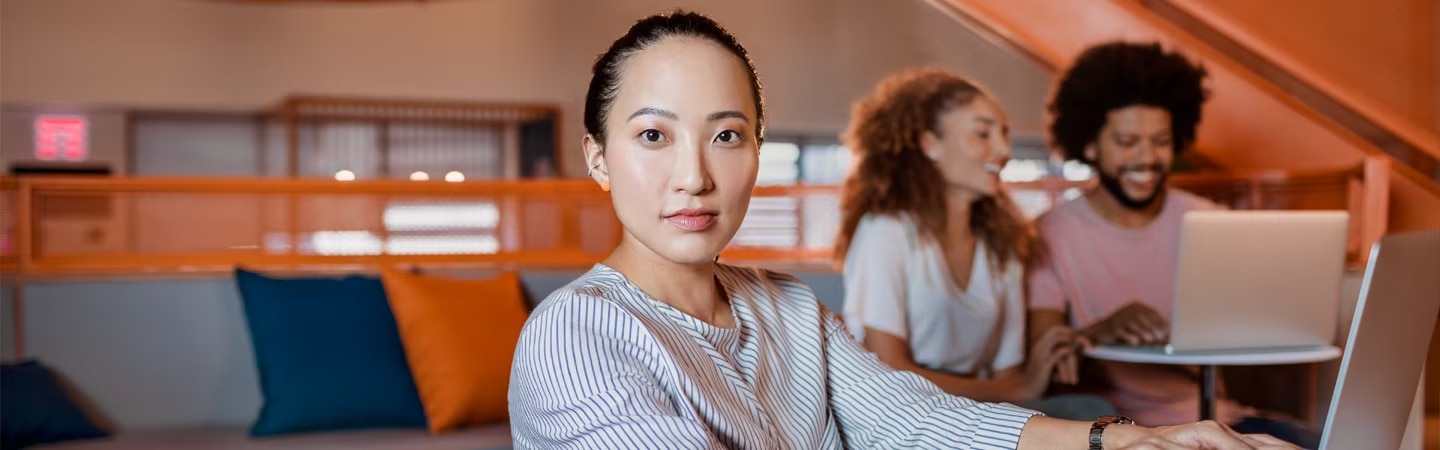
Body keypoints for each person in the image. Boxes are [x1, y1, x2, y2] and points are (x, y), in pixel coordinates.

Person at [507, 10, 1296, 449]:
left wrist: (1124, 444)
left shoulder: (787, 309)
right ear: (597, 158)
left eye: (726, 135)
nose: (695, 176)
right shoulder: (577, 335)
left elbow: (912, 416)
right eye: (653, 136)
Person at [1027, 41, 1318, 447]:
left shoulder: (1212, 224)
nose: (1147, 158)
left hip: (1221, 421)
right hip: (1116, 430)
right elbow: (1044, 351)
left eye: (1160, 141)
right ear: (1090, 145)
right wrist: (1101, 331)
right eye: (1127, 142)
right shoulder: (1052, 233)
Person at [835, 67, 1113, 421]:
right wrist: (1016, 392)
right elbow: (889, 369)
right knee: (1088, 412)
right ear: (929, 144)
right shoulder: (886, 231)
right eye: (983, 133)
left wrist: (1024, 384)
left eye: (1004, 134)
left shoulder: (1003, 244)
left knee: (1096, 413)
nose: (1003, 150)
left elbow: (1007, 376)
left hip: (977, 415)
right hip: (902, 418)